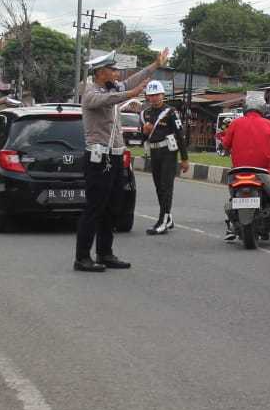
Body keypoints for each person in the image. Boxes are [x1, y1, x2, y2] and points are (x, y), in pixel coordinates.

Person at [75, 48, 169, 271]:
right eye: (112, 70)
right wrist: (130, 94)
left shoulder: (113, 87)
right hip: (98, 158)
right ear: (100, 72)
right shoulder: (90, 91)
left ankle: (105, 253)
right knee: (94, 208)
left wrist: (155, 65)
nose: (117, 74)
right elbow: (110, 99)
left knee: (112, 207)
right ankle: (82, 257)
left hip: (116, 156)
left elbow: (131, 82)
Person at [221, 92, 270, 242]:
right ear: (263, 108)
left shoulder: (235, 124)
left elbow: (225, 144)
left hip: (238, 172)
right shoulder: (268, 124)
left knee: (233, 197)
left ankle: (230, 226)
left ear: (245, 107)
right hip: (263, 172)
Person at [141, 80, 189, 235]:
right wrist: (144, 132)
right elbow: (142, 137)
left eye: (157, 95)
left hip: (168, 152)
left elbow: (180, 135)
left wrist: (184, 158)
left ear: (163, 95)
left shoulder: (170, 112)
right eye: (151, 95)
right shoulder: (145, 113)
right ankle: (168, 217)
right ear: (147, 97)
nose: (154, 98)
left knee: (166, 186)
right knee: (158, 187)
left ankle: (163, 220)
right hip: (154, 152)